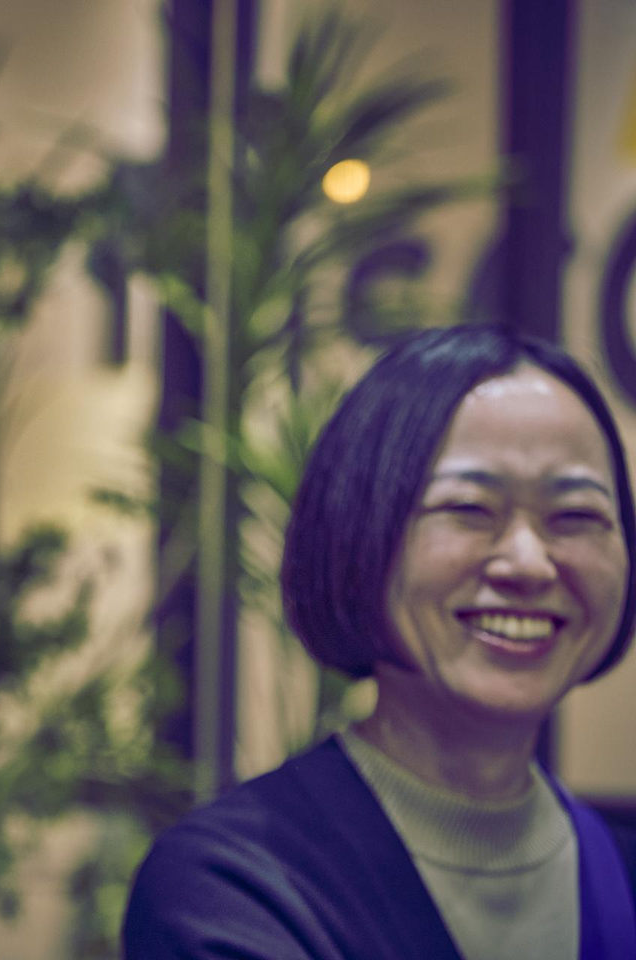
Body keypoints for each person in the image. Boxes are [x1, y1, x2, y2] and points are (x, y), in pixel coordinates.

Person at [124, 325, 636, 959]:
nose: (529, 564)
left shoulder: (621, 873)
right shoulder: (232, 887)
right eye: (469, 508)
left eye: (577, 517)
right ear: (360, 532)